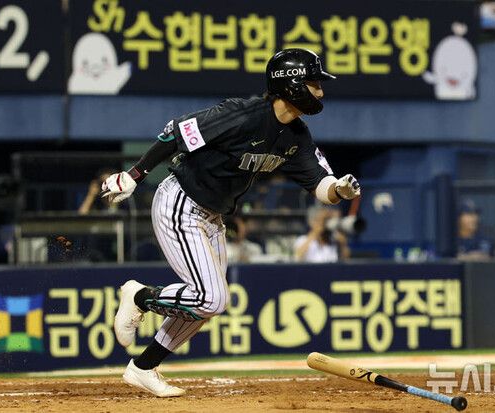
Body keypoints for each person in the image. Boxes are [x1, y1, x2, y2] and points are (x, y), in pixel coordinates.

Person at [101, 48, 361, 397]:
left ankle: (143, 367)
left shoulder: (296, 136)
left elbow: (320, 184)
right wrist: (134, 176)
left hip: (213, 216)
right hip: (181, 202)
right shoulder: (243, 114)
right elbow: (176, 133)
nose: (321, 91)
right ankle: (140, 297)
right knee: (211, 298)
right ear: (293, 85)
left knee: (207, 304)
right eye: (315, 83)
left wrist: (339, 189)